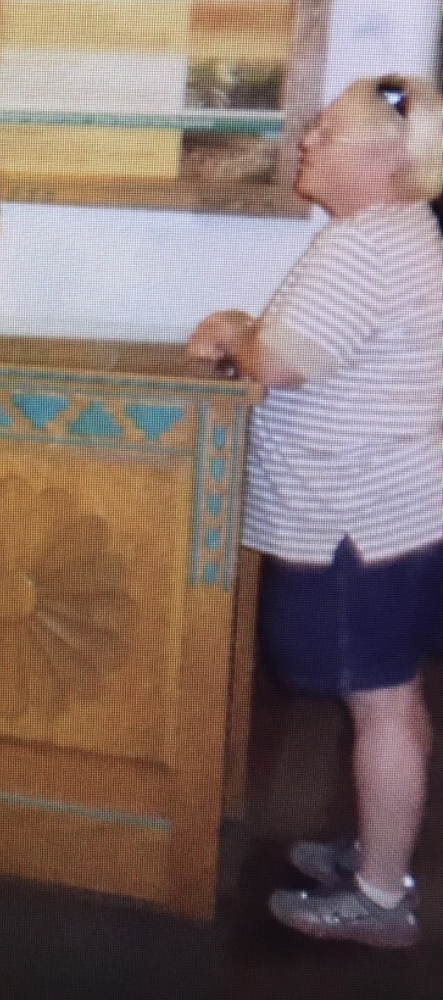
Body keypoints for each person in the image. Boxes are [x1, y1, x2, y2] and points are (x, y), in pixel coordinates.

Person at [187, 74, 443, 949]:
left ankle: (380, 897)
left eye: (326, 131)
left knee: (381, 705)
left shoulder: (365, 243)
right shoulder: (396, 233)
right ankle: (380, 852)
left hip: (359, 519)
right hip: (394, 514)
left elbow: (284, 361)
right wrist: (250, 331)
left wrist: (231, 328)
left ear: (384, 158)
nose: (306, 141)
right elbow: (315, 346)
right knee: (393, 698)